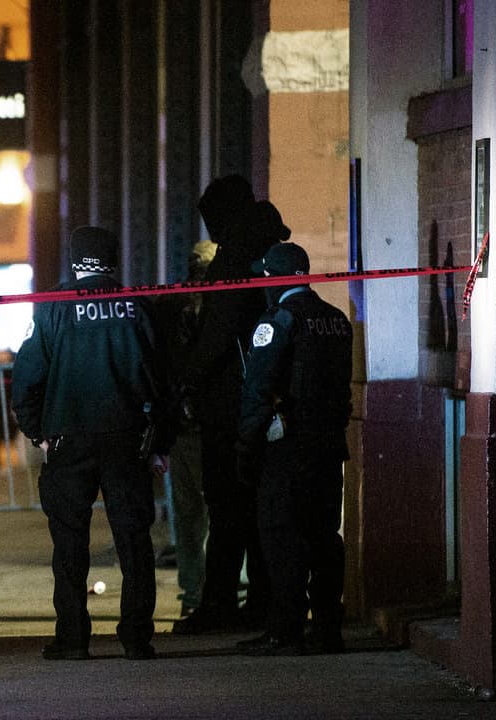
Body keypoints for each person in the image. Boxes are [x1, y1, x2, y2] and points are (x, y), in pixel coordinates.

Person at [11, 226, 172, 661]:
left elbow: (26, 376)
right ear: (113, 259)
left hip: (69, 440)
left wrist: (36, 432)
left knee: (69, 543)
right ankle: (137, 637)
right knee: (134, 541)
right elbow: (163, 379)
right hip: (127, 440)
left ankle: (73, 638)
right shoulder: (138, 306)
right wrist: (161, 441)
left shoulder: (52, 308)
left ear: (73, 259)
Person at [173, 178, 283, 635]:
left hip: (228, 405)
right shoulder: (267, 253)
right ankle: (262, 600)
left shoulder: (232, 262)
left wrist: (187, 381)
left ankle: (220, 603)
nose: (211, 234)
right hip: (261, 398)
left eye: (213, 223)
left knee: (226, 509)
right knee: (257, 508)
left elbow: (216, 336)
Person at [235, 242, 353, 656]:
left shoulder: (278, 320)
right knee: (323, 537)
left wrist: (247, 445)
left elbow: (258, 388)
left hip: (286, 446)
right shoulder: (336, 319)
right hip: (327, 446)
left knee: (283, 537)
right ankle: (327, 629)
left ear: (273, 278)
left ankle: (285, 629)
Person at [153, 244, 215, 617]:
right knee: (217, 510)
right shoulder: (226, 303)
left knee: (190, 514)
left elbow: (159, 363)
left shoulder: (168, 304)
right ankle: (211, 591)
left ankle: (195, 593)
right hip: (212, 422)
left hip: (184, 421)